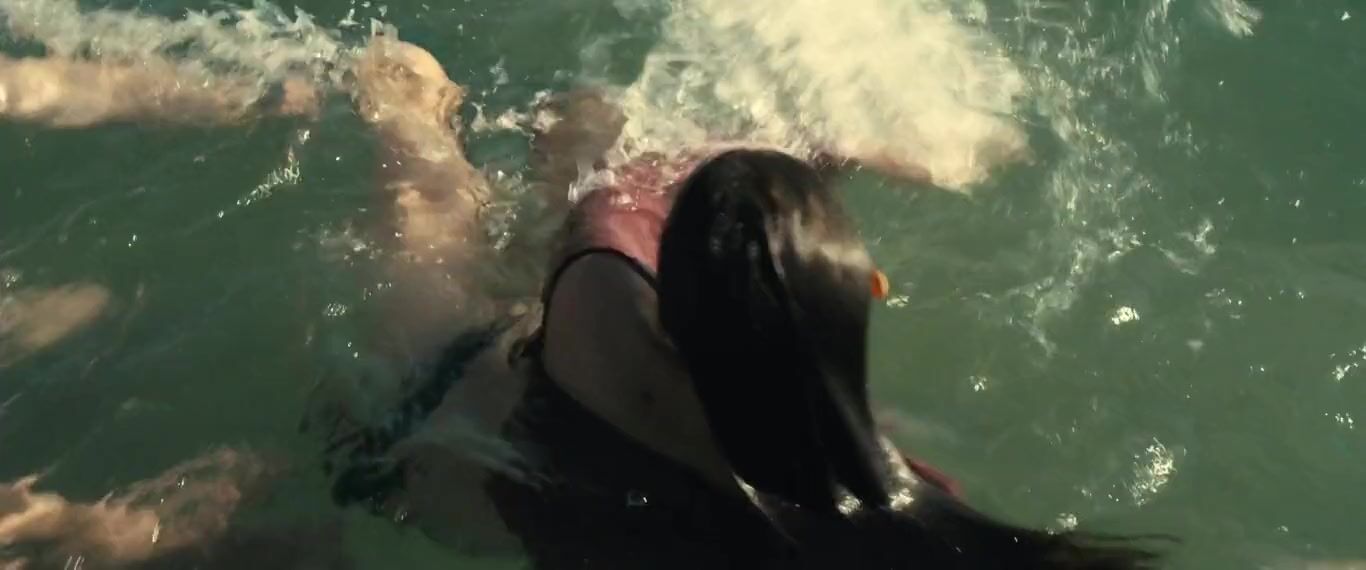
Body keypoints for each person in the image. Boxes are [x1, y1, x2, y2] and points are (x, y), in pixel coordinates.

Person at [2, 31, 1166, 568]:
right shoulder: (906, 511)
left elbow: (607, 173)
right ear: (857, 301)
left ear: (673, 302)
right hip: (506, 510)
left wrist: (606, 146)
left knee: (407, 120)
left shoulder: (613, 298)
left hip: (424, 418)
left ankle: (82, 86)